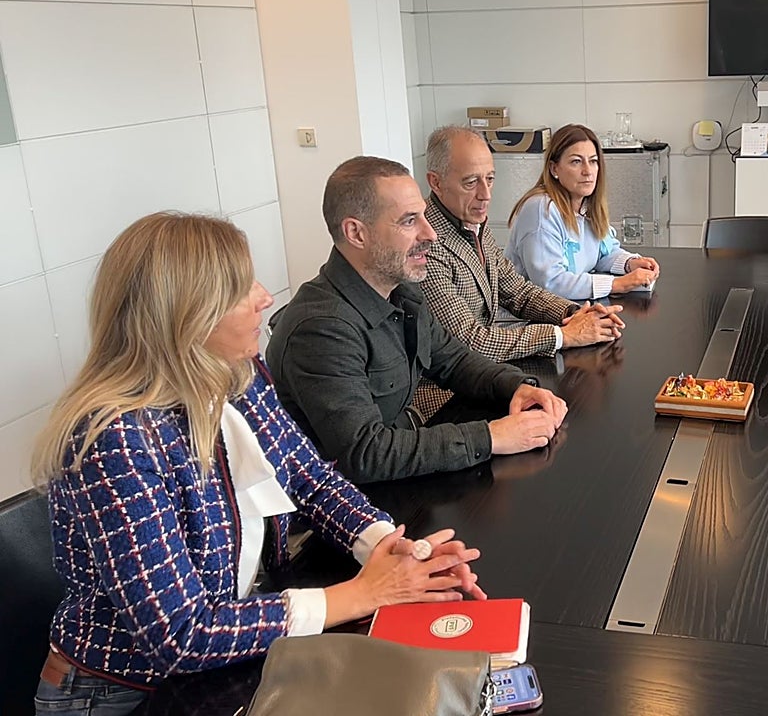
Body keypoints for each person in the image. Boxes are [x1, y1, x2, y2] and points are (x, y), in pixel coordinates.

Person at [30, 213, 485, 715]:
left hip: (231, 654)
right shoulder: (114, 439)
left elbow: (309, 478)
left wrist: (391, 548)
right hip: (126, 693)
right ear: (186, 315)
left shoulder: (237, 374)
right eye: (242, 289)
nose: (265, 297)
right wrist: (360, 595)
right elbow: (181, 635)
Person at [265, 157, 567, 484]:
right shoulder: (321, 329)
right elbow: (366, 453)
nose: (431, 233)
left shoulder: (401, 290)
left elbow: (454, 361)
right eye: (410, 221)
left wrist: (516, 386)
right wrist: (490, 437)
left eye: (424, 215)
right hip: (348, 512)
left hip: (398, 482)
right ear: (356, 232)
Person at [422, 125, 625, 360]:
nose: (486, 194)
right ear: (435, 182)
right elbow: (469, 341)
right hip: (447, 390)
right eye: (470, 183)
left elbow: (518, 291)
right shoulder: (426, 244)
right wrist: (562, 335)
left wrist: (575, 312)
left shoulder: (472, 222)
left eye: (489, 179)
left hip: (483, 368)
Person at [506, 123, 660, 300]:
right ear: (554, 168)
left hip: (569, 310)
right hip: (526, 321)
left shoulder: (585, 205)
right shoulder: (541, 209)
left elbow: (604, 253)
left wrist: (629, 263)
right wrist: (617, 284)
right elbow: (550, 283)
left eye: (593, 161)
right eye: (576, 162)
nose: (587, 171)